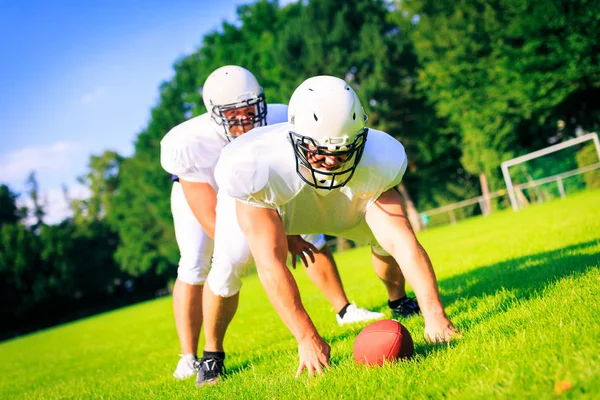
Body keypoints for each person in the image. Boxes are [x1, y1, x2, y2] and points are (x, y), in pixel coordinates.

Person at [198, 75, 457, 386]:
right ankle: (212, 354)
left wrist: (436, 315)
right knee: (229, 265)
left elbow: (403, 242)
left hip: (346, 199)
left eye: (344, 150)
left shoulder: (379, 157)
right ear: (296, 137)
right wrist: (307, 337)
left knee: (388, 242)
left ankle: (399, 299)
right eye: (321, 151)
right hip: (279, 203)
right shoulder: (253, 164)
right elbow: (270, 264)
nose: (333, 160)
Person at [160, 66, 385, 381]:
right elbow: (213, 220)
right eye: (233, 114)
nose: (246, 119)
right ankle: (190, 356)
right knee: (200, 263)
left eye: (250, 109)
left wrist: (290, 229)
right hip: (202, 191)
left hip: (258, 188)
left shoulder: (284, 116)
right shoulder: (187, 142)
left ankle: (345, 310)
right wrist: (272, 236)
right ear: (214, 114)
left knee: (311, 234)